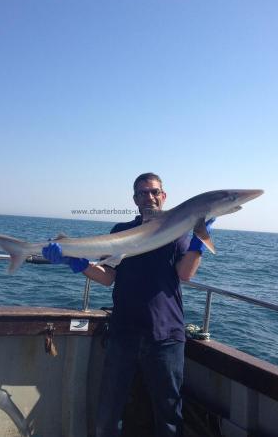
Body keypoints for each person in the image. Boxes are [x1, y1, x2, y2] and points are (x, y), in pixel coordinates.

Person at [42, 173, 215, 437]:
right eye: (143, 192)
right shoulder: (121, 231)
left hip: (165, 336)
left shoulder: (177, 231)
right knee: (108, 412)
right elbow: (108, 277)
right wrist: (77, 263)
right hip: (123, 333)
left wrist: (198, 242)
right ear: (135, 199)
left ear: (164, 196)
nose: (150, 197)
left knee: (169, 413)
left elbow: (185, 274)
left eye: (155, 191)